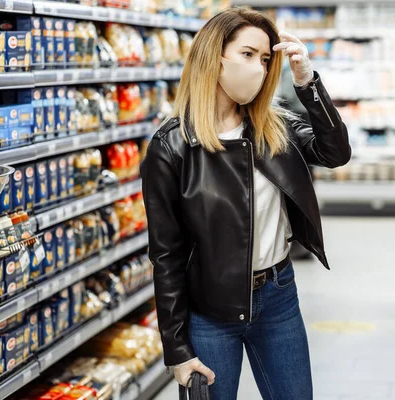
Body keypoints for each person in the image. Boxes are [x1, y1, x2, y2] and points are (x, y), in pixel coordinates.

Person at [141, 7, 350, 400]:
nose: (259, 67)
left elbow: (336, 152)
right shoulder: (172, 146)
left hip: (278, 296)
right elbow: (165, 256)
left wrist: (308, 83)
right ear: (213, 57)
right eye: (248, 55)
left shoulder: (275, 127)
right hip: (209, 309)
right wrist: (177, 350)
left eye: (266, 59)